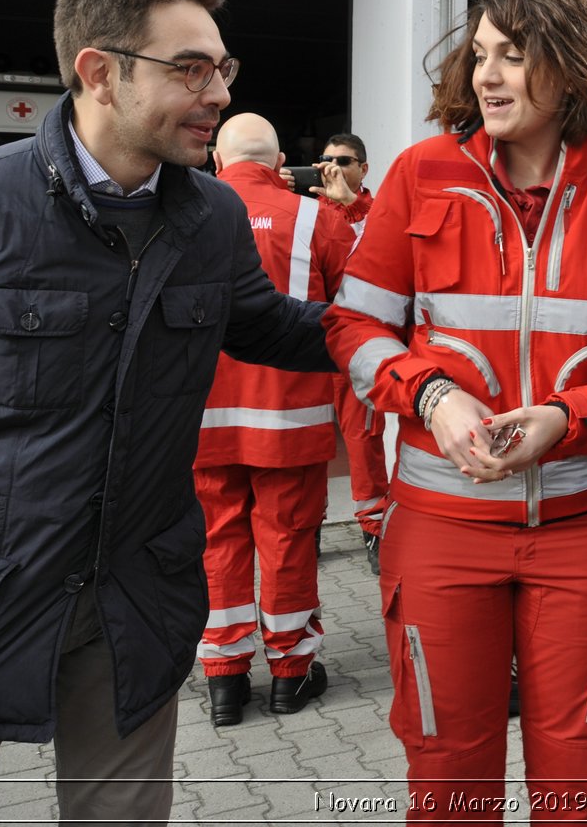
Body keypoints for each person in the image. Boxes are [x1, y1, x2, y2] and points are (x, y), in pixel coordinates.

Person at [325, 0, 587, 822]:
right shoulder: (420, 178)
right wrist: (431, 398)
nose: (485, 75)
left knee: (580, 788)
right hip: (439, 532)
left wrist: (571, 419)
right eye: (481, 56)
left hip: (586, 536)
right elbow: (353, 331)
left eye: (513, 55)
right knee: (449, 784)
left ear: (569, 65)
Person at [0, 0, 333, 823]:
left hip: (135, 595)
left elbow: (272, 326)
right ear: (99, 73)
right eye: (191, 69)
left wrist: (411, 341)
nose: (218, 92)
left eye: (223, 67)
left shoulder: (211, 214)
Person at [194, 112, 355, 726]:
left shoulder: (185, 213)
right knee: (287, 541)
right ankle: (291, 674)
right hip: (290, 416)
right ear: (281, 159)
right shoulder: (317, 217)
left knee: (216, 544)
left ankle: (224, 681)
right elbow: (356, 309)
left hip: (204, 419)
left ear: (217, 161)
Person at [314, 131, 393, 572]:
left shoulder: (377, 212)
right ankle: (309, 528)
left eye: (344, 160)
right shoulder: (306, 210)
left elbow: (381, 257)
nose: (334, 167)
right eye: (325, 159)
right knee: (310, 442)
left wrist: (351, 204)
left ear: (364, 167)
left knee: (364, 442)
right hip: (308, 343)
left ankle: (374, 530)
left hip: (357, 346)